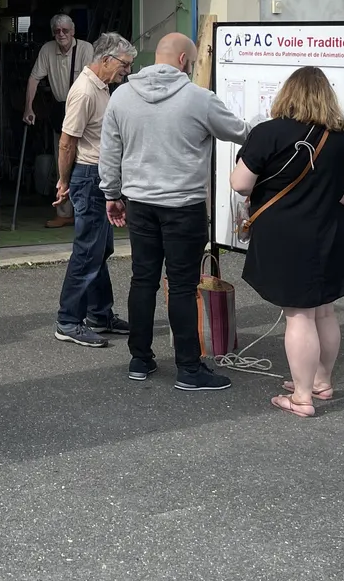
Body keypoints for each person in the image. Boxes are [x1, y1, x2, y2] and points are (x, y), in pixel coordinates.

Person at [229, 67, 344, 417]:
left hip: (286, 235)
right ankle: (320, 381)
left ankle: (302, 397)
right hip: (332, 230)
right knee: (323, 309)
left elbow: (240, 184)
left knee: (299, 315)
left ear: (287, 94)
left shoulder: (268, 132)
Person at [99, 31, 248, 388]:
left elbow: (110, 150)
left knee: (143, 280)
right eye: (194, 61)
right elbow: (242, 132)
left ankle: (140, 359)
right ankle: (188, 369)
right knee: (182, 286)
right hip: (184, 205)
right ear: (183, 60)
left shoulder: (122, 96)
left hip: (140, 204)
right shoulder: (199, 99)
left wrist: (112, 193)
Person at [53, 32, 136, 347]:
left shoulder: (102, 88)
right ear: (107, 60)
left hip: (98, 177)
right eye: (125, 65)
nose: (126, 71)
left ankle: (99, 315)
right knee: (88, 251)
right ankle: (68, 321)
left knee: (101, 249)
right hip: (89, 177)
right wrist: (64, 180)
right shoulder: (86, 91)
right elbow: (66, 140)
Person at [23, 14, 96, 228]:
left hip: (83, 106)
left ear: (73, 31)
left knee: (86, 160)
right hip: (60, 107)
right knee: (62, 160)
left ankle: (85, 210)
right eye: (57, 31)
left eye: (65, 30)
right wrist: (28, 107)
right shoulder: (47, 49)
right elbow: (34, 78)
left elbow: (91, 79)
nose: (61, 34)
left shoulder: (85, 49)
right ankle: (64, 212)